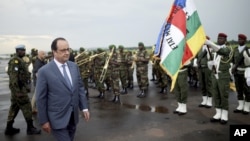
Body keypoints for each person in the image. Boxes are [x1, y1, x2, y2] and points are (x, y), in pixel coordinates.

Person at [36, 37, 90, 141]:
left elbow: (79, 88)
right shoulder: (44, 71)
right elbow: (40, 98)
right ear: (54, 52)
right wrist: (44, 121)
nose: (66, 53)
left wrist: (84, 108)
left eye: (68, 49)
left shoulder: (74, 67)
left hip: (73, 117)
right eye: (62, 50)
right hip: (57, 118)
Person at [4, 44, 41, 135]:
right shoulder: (15, 61)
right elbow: (13, 77)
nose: (24, 52)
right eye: (22, 50)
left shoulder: (20, 60)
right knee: (27, 107)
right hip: (19, 90)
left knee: (14, 108)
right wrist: (17, 92)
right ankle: (30, 128)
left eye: (24, 50)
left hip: (20, 89)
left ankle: (9, 128)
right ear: (17, 51)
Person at [205, 33, 233, 124]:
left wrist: (209, 43)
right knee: (216, 94)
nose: (219, 39)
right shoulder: (216, 51)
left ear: (225, 40)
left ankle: (224, 115)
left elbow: (221, 51)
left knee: (223, 95)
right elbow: (216, 59)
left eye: (221, 38)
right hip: (215, 75)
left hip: (223, 76)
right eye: (218, 38)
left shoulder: (227, 49)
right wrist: (211, 64)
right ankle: (218, 113)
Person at [232, 34, 250, 114]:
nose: (239, 40)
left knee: (247, 90)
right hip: (237, 72)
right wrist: (232, 68)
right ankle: (240, 106)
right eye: (239, 39)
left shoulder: (248, 50)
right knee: (239, 89)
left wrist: (247, 58)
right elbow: (233, 60)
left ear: (245, 41)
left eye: (241, 39)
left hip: (245, 72)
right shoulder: (235, 49)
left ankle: (246, 107)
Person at [196, 36, 213, 108]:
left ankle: (209, 101)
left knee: (208, 84)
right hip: (200, 68)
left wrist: (208, 49)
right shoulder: (199, 49)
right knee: (202, 84)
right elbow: (197, 57)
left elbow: (211, 58)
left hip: (207, 68)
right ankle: (204, 100)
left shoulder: (211, 49)